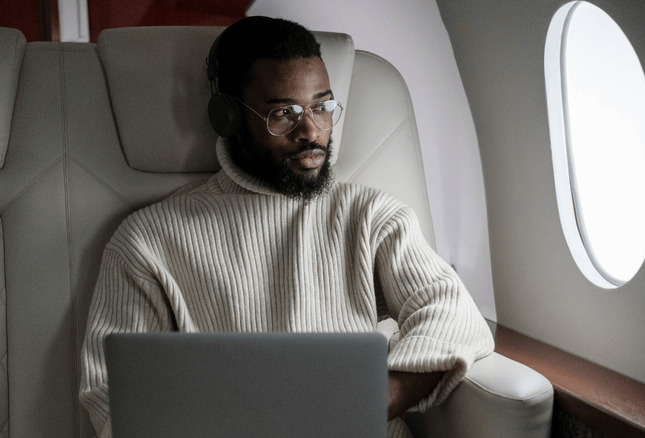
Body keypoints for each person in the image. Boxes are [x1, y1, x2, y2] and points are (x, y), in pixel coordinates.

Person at [79, 16, 494, 438]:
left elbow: (453, 315)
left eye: (322, 106)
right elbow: (111, 391)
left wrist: (369, 402)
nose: (312, 132)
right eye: (283, 113)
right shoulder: (147, 241)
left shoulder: (371, 216)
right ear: (228, 118)